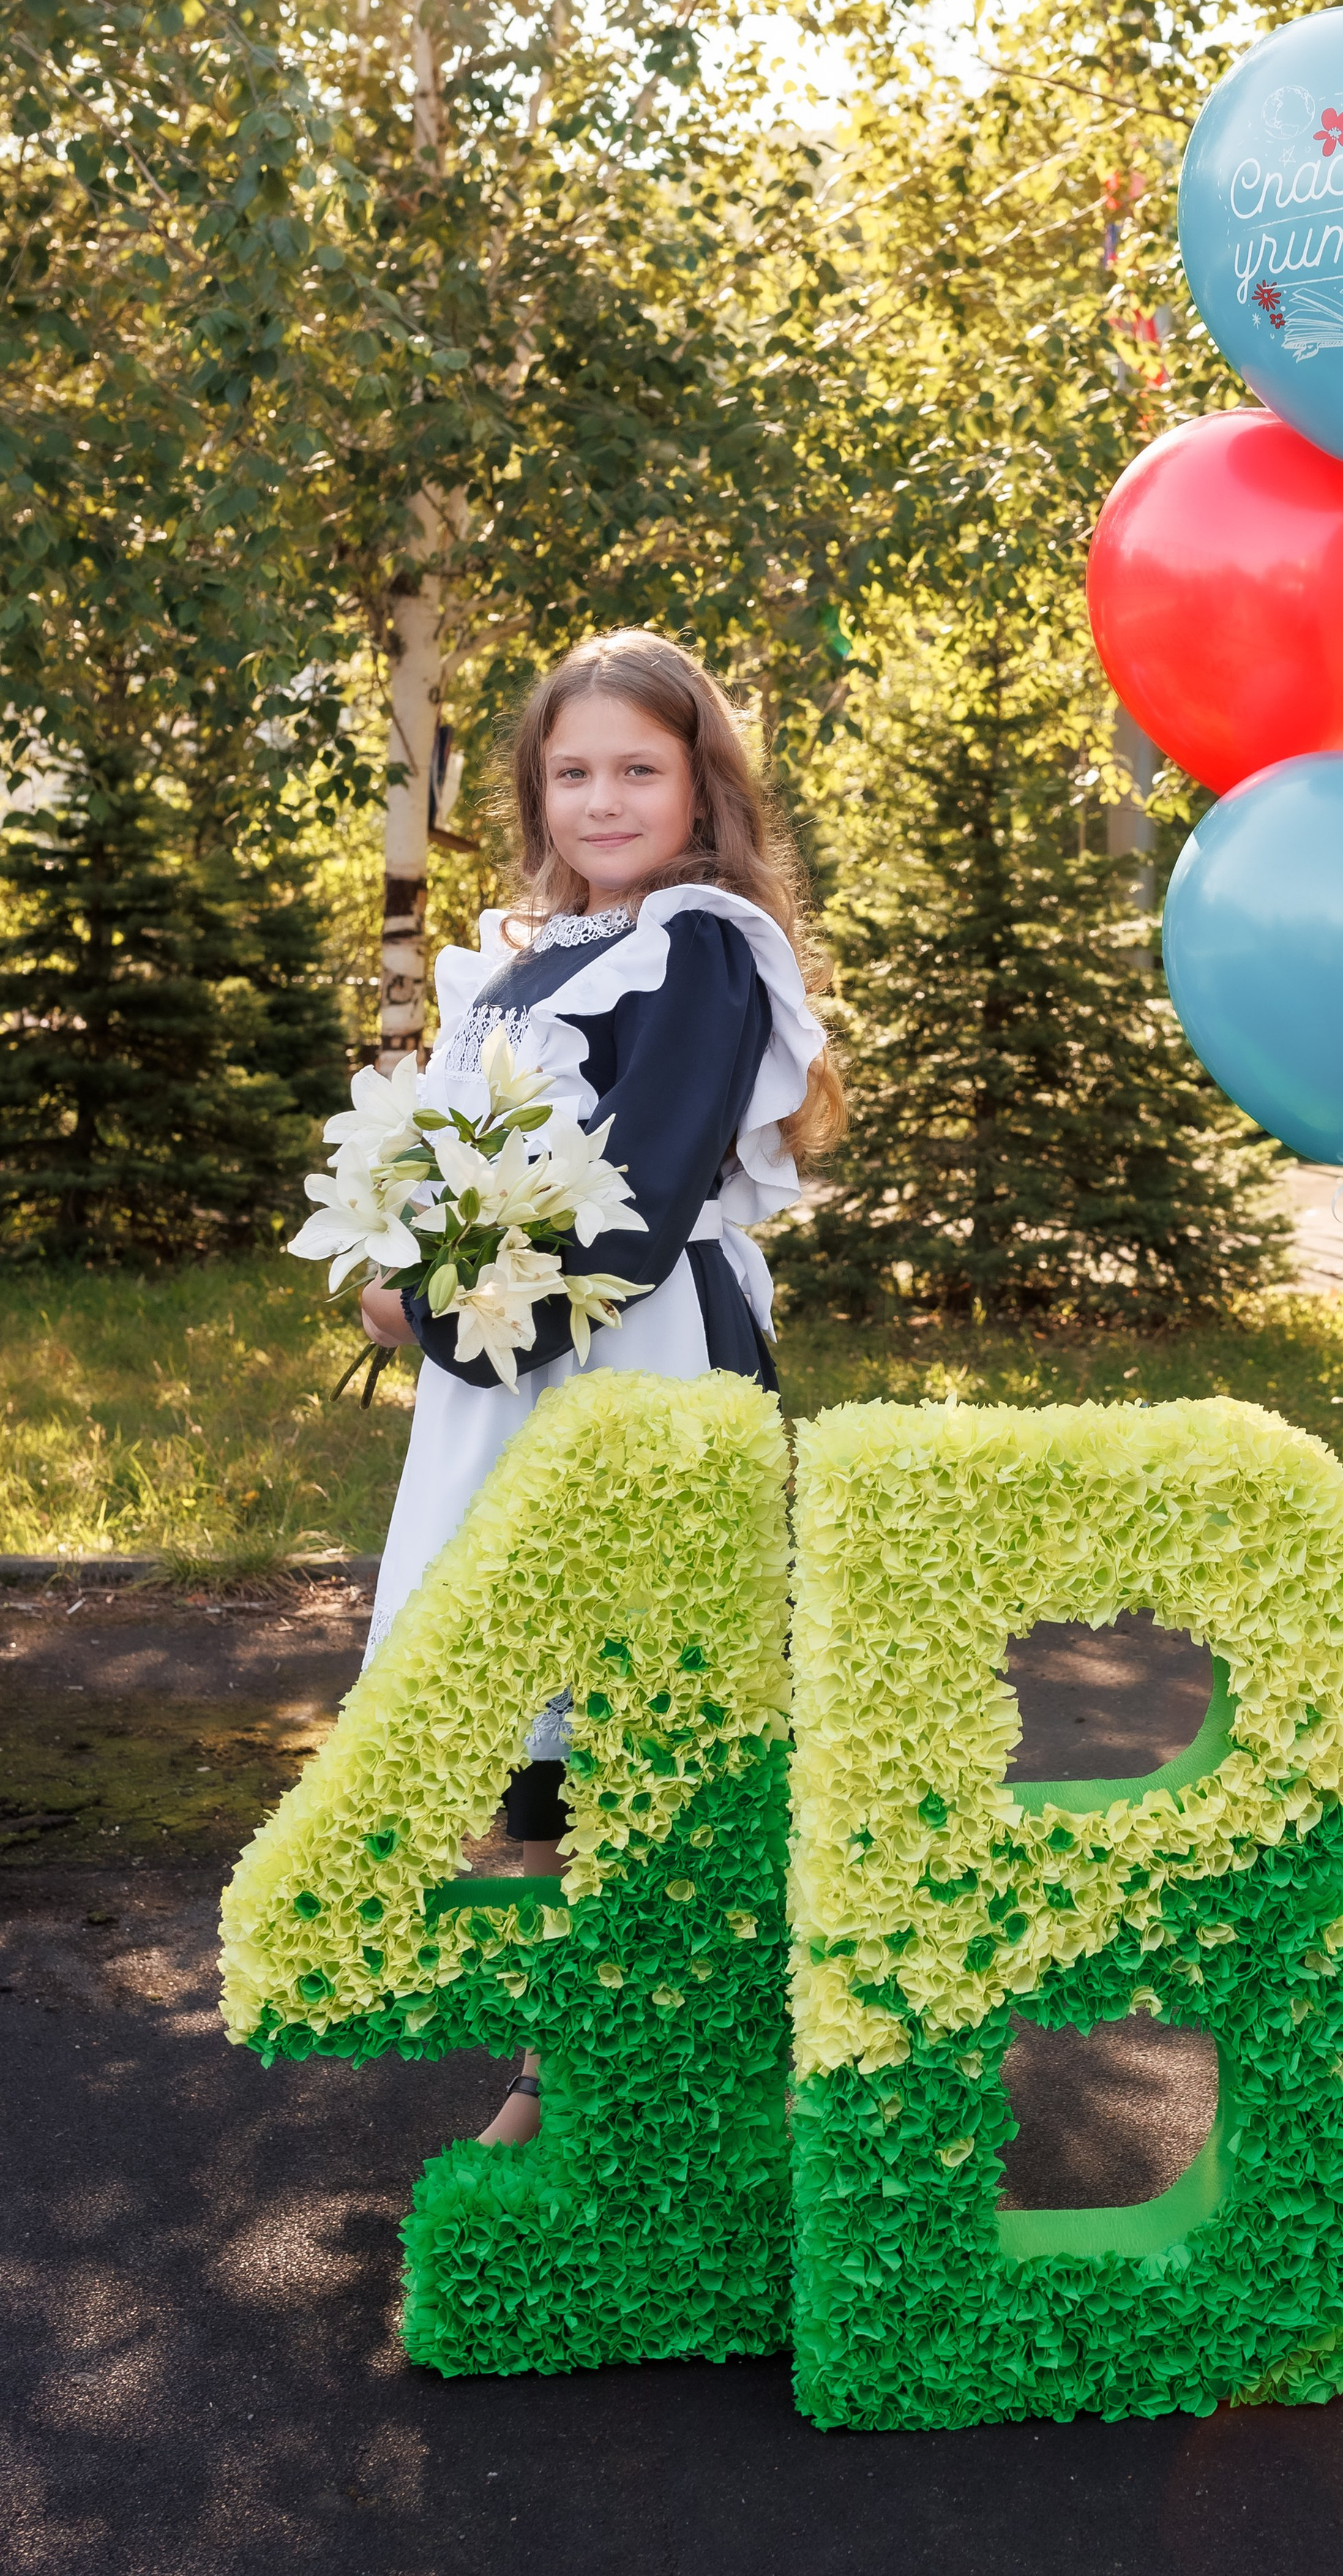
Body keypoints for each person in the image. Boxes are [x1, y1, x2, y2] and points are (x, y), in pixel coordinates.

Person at [356, 628, 844, 2144]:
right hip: (514, 1367)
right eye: (573, 773)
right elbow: (466, 1159)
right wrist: (393, 1245)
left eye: (638, 768)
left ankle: (594, 2083)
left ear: (702, 790)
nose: (604, 799)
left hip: (628, 1350)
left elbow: (633, 1204)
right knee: (556, 1747)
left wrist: (431, 1305)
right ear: (534, 792)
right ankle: (592, 2062)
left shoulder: (699, 948)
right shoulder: (527, 955)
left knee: (643, 1721)